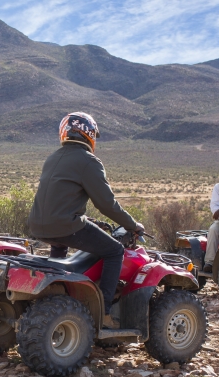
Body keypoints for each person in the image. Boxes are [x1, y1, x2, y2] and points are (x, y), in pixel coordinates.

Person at [28, 112, 144, 329]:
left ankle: (62, 295)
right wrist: (132, 225)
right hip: (65, 226)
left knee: (60, 250)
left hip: (38, 226)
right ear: (89, 134)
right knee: (114, 251)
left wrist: (85, 218)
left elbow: (59, 198)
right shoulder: (88, 161)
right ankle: (105, 314)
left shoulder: (53, 157)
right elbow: (107, 203)